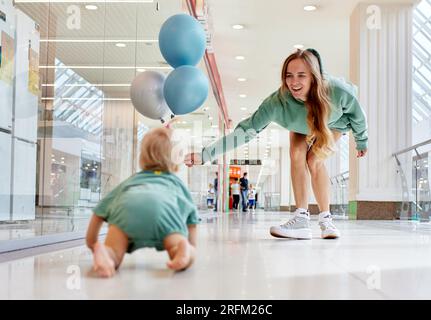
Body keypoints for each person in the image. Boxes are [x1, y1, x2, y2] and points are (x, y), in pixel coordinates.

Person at [185, 48, 368, 240]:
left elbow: (358, 115)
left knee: (314, 160)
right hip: (299, 125)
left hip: (332, 123)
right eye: (289, 76)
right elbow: (244, 133)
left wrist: (362, 140)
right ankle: (301, 219)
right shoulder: (278, 102)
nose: (294, 82)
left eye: (301, 76)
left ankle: (326, 219)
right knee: (296, 154)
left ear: (314, 77)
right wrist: (205, 155)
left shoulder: (336, 91)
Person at [86, 127, 199, 277]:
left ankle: (106, 254)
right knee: (176, 247)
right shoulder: (176, 183)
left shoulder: (132, 181)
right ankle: (183, 251)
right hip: (164, 214)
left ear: (142, 157)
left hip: (127, 211)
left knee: (113, 251)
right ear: (176, 160)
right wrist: (191, 245)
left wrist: (92, 243)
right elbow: (192, 219)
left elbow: (99, 211)